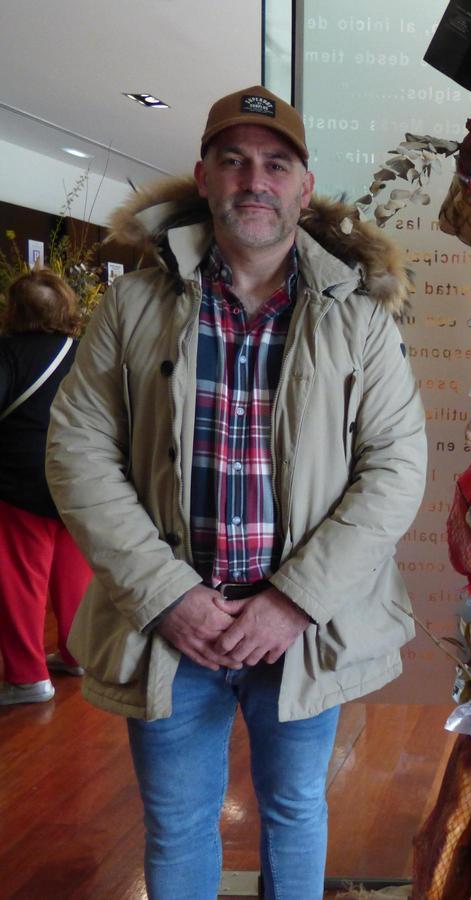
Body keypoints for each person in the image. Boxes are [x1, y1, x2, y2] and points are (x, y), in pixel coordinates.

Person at [45, 86, 427, 899]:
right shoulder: (133, 305)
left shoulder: (357, 318)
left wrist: (292, 603)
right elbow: (77, 452)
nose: (255, 179)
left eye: (275, 164)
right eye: (235, 161)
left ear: (302, 184)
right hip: (170, 629)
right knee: (178, 823)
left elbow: (395, 469)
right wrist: (168, 595)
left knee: (294, 811)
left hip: (301, 629)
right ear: (204, 176)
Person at [0, 270, 92, 705]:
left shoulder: (8, 353)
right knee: (76, 571)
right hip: (79, 481)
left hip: (20, 481)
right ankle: (79, 654)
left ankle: (26, 677)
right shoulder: (88, 353)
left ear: (14, 309)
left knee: (20, 579)